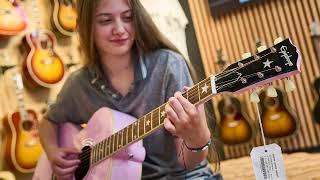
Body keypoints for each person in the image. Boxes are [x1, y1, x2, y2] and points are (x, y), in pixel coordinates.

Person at [39, 0, 222, 179]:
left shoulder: (168, 65)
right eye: (105, 20)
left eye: (127, 17)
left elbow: (188, 163)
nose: (119, 29)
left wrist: (198, 138)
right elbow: (49, 122)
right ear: (86, 27)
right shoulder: (79, 84)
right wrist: (52, 151)